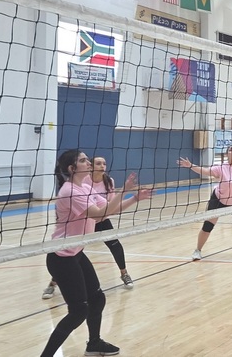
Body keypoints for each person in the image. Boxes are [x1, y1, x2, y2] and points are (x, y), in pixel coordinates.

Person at [41, 149, 151, 357]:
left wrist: (135, 198)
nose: (89, 163)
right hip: (62, 258)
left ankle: (94, 343)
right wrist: (124, 191)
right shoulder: (70, 191)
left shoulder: (84, 187)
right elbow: (99, 214)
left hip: (76, 253)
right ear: (72, 168)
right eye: (84, 160)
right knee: (78, 312)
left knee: (97, 299)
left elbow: (108, 210)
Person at [42, 157, 135, 300]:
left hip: (100, 217)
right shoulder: (81, 182)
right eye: (98, 163)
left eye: (104, 163)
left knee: (114, 245)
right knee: (70, 252)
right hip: (85, 217)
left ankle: (124, 273)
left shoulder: (107, 181)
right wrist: (124, 192)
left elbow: (110, 206)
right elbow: (95, 210)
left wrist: (134, 198)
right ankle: (53, 282)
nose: (102, 166)